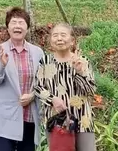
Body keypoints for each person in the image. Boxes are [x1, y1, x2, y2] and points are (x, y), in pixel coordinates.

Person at [0, 7, 44, 151]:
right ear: (8, 27)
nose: (17, 26)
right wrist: (2, 65)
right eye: (13, 22)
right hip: (7, 114)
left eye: (21, 22)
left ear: (27, 28)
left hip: (29, 114)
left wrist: (32, 95)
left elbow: (44, 81)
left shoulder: (37, 52)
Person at [34, 22, 96, 151]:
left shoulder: (82, 61)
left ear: (72, 40)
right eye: (55, 35)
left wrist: (79, 72)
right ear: (50, 41)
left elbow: (90, 90)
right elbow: (38, 88)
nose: (59, 38)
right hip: (56, 122)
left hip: (82, 120)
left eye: (63, 35)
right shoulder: (45, 62)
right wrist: (52, 99)